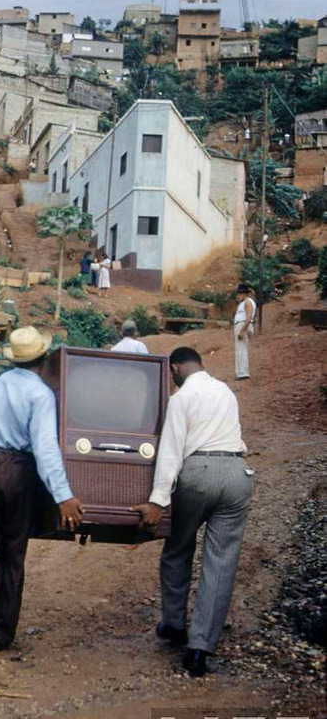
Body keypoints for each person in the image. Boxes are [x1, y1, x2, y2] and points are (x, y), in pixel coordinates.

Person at [133, 347, 254, 677]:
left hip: (197, 473)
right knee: (221, 562)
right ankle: (200, 650)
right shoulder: (225, 390)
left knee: (178, 549)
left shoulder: (181, 398)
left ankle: (173, 625)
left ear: (174, 369)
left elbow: (170, 451)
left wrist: (158, 501)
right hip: (236, 473)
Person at [0, 326, 83, 652]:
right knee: (12, 552)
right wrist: (63, 496)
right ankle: (1, 633)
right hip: (16, 470)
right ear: (43, 358)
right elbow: (45, 449)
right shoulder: (41, 394)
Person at [233, 283, 256, 381]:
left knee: (241, 349)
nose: (238, 296)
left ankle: (243, 372)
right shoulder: (243, 303)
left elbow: (249, 317)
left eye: (239, 294)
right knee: (240, 349)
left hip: (243, 325)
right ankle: (241, 372)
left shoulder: (247, 302)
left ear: (244, 294)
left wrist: (242, 330)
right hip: (241, 325)